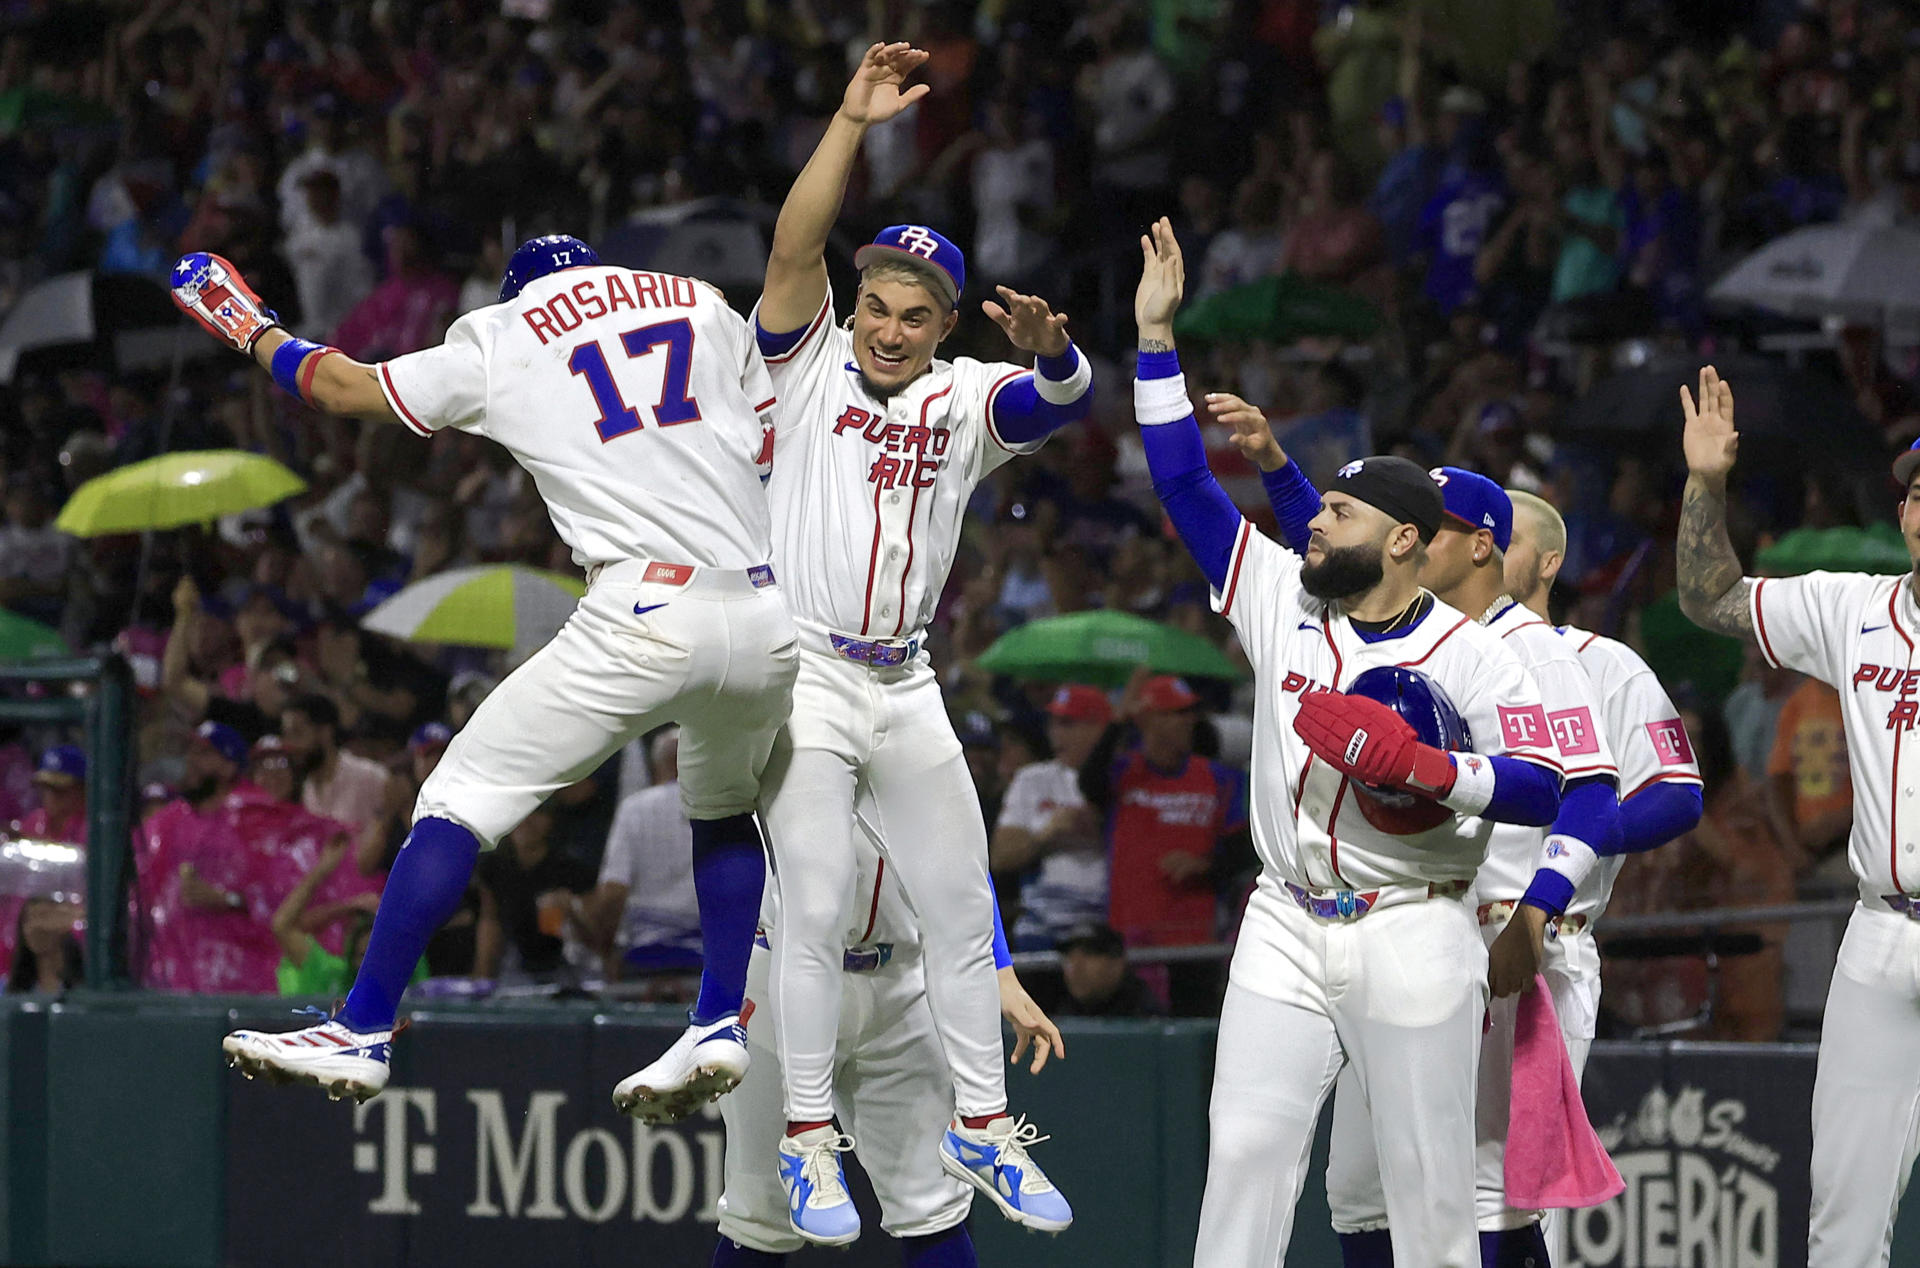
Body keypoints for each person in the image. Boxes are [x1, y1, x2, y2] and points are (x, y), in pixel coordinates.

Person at [175, 228, 797, 1108]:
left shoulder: (507, 332)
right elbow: (767, 445)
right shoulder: (698, 297)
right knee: (725, 802)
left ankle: (361, 1027)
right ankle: (717, 1022)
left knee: (455, 798)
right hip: (763, 612)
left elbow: (343, 387)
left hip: (646, 608)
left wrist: (254, 331)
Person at [1129, 218, 1564, 1268]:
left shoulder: (1475, 653)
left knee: (1427, 1194)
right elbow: (1188, 487)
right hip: (1283, 918)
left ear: (1406, 539)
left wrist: (1428, 770)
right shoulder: (1283, 596)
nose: (1312, 522)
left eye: (1338, 510)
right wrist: (1154, 341)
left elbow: (1542, 784)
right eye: (1316, 506)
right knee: (1242, 1156)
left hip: (1414, 924)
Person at [748, 42, 1089, 1242]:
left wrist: (1051, 349)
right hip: (809, 673)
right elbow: (795, 249)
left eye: (915, 315)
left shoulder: (960, 399)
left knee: (957, 896)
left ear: (946, 326)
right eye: (878, 306)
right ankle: (802, 1141)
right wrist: (848, 119)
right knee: (818, 893)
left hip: (906, 677)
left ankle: (982, 1126)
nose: (890, 329)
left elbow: (1056, 403)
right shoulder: (807, 362)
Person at [1674, 365, 1920, 1267]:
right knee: (1843, 1219)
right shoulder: (1853, 607)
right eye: (1915, 492)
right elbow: (1710, 598)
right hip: (1880, 929)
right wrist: (1706, 483)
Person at [713, 823, 1062, 1265]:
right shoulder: (766, 750)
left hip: (901, 979)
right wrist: (715, 1000)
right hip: (776, 971)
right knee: (758, 1215)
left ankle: (985, 1131)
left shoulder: (922, 754)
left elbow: (957, 847)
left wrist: (1001, 967)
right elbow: (718, 832)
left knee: (934, 1209)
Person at [992, 685, 1111, 950]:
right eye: (1053, 724)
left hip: (1108, 925)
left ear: (1100, 729)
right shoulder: (1033, 779)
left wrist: (1103, 827)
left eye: (1068, 724)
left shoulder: (1123, 777)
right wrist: (1049, 831)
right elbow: (1001, 857)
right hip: (1043, 926)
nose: (1056, 734)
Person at [581, 726, 699, 981]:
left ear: (658, 765)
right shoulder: (721, 809)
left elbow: (613, 892)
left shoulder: (636, 809)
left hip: (644, 959)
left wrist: (606, 951)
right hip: (707, 958)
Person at [473, 806, 595, 983]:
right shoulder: (494, 866)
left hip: (565, 967)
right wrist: (482, 978)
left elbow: (595, 938)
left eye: (537, 812)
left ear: (551, 820)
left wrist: (572, 909)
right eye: (521, 812)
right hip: (513, 965)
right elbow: (490, 921)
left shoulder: (571, 869)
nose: (527, 821)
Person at [1051, 922, 1160, 1018]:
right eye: (1069, 957)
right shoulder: (1065, 1012)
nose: (1076, 968)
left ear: (1116, 963)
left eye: (1089, 954)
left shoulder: (1143, 1013)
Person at [5, 897, 82, 994]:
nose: (33, 927)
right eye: (28, 919)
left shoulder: (85, 985)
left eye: (42, 917)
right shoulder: (9, 990)